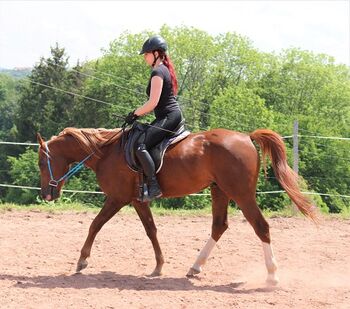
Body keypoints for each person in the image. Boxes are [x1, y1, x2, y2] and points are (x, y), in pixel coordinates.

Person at [124, 35, 183, 201]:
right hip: (167, 116)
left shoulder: (158, 71)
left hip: (169, 116)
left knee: (140, 145)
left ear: (156, 53)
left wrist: (134, 113)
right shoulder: (163, 69)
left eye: (146, 53)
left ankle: (154, 186)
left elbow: (153, 102)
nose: (144, 57)